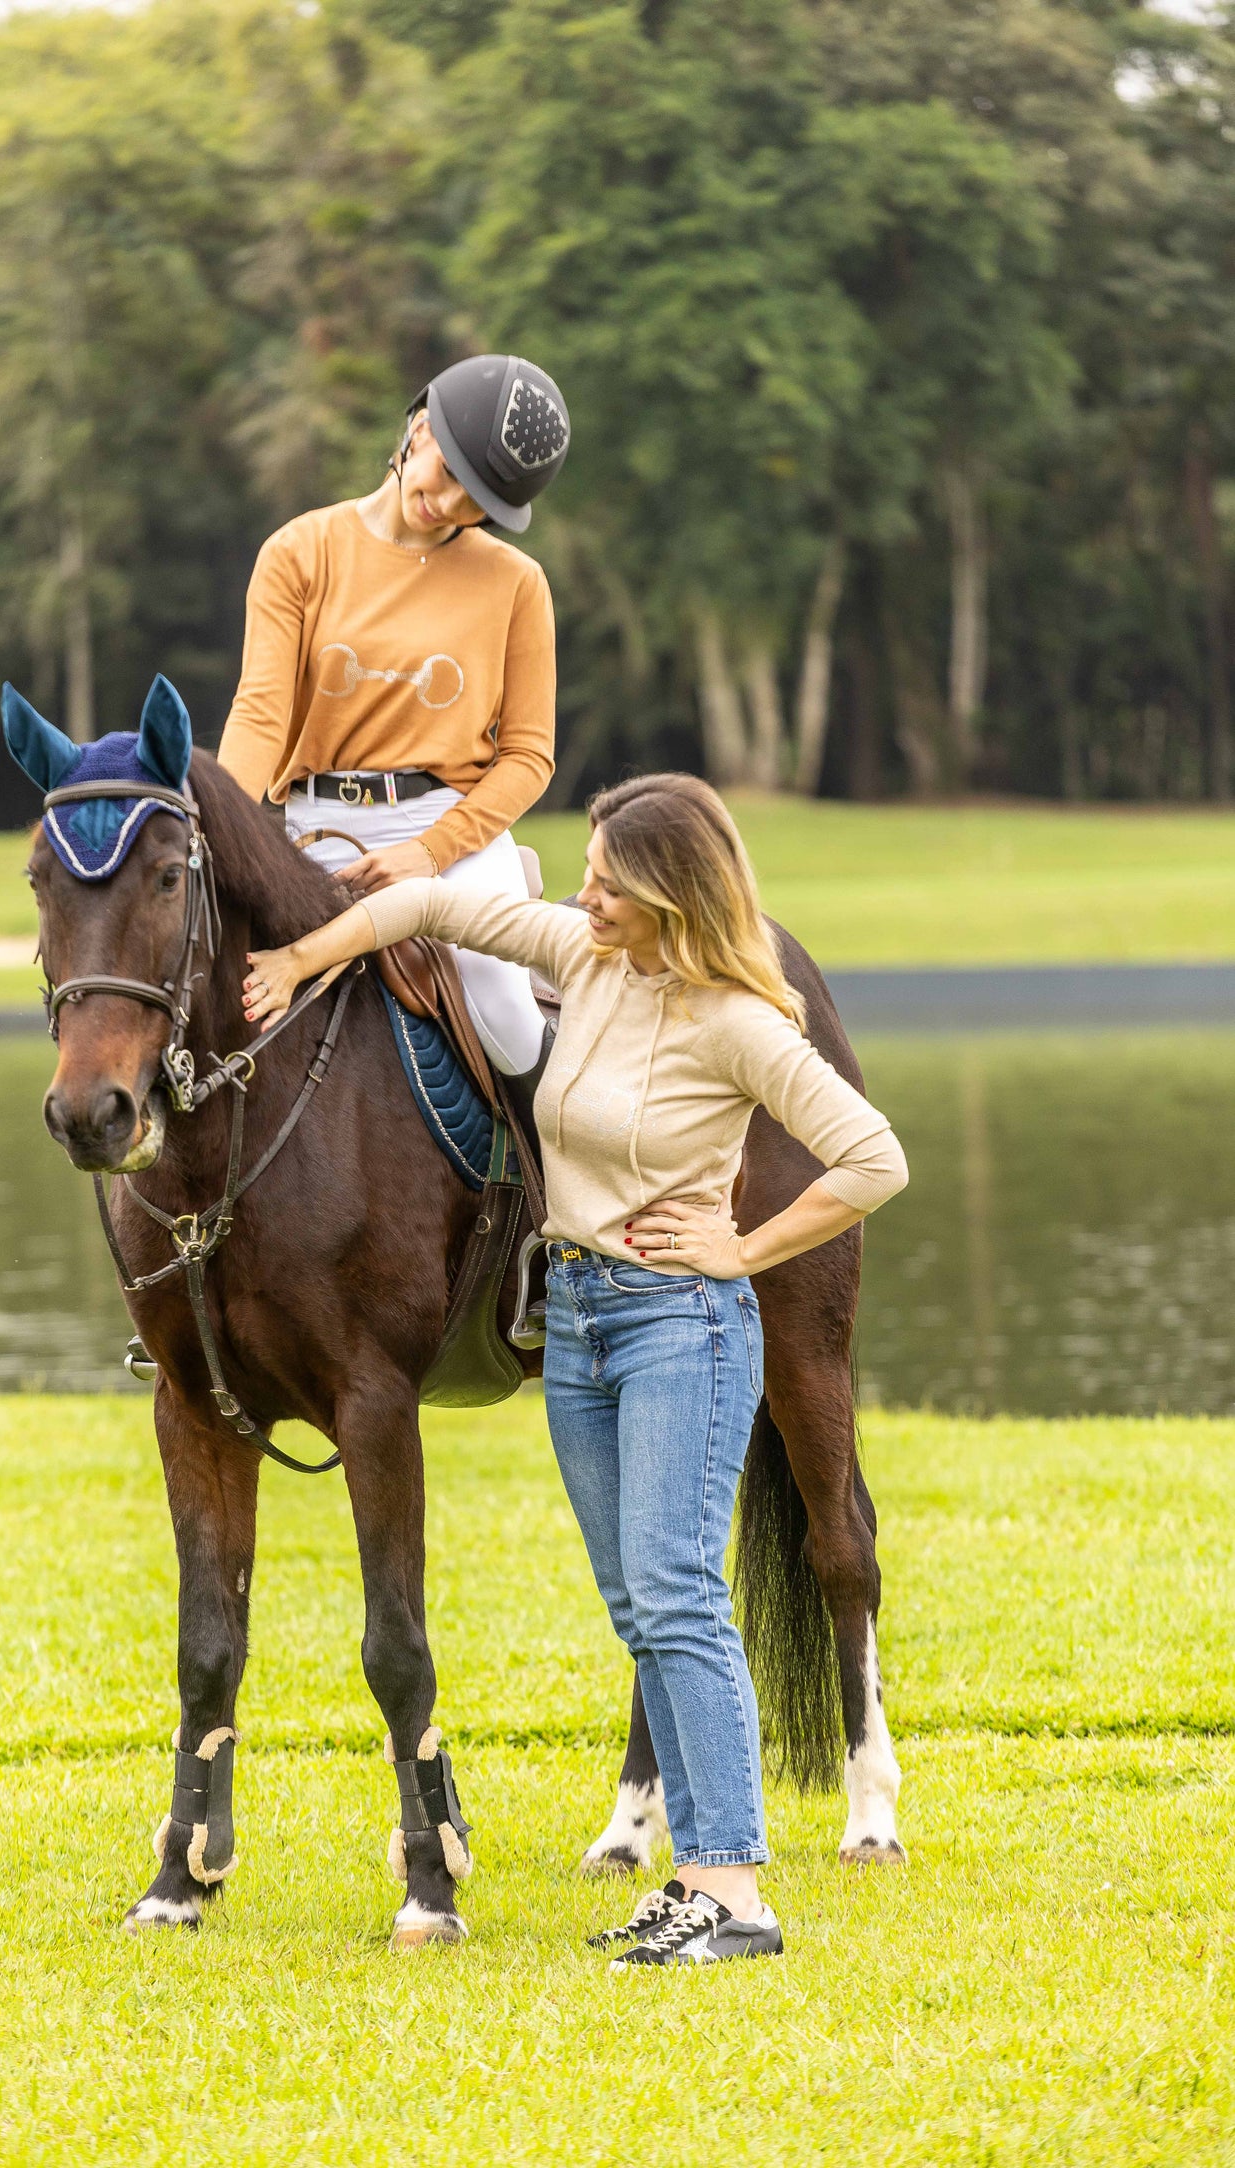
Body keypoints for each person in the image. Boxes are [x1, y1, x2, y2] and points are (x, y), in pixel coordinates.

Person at [239, 773, 908, 1966]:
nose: (579, 894)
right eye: (586, 876)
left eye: (605, 882)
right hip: (581, 1323)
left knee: (678, 1595)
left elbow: (872, 1157)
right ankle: (692, 1882)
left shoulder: (739, 1021)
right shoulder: (583, 959)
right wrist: (299, 958)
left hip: (678, 1322)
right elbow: (423, 909)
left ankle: (733, 1891)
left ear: (669, 896)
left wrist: (740, 1247)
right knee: (639, 1604)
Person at [217, 353, 571, 1119]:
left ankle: (566, 1187)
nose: (447, 504)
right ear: (417, 430)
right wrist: (219, 824)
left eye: (477, 503)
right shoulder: (298, 552)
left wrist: (430, 851)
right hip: (314, 828)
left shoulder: (517, 584)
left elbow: (527, 755)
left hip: (450, 832)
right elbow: (261, 715)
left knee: (505, 1008)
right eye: (447, 474)